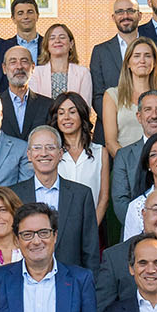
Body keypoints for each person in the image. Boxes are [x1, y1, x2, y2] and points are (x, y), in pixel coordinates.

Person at [12, 126, 99, 269]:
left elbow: (91, 251)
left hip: (72, 283)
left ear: (60, 153)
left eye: (50, 148)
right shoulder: (14, 195)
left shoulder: (81, 195)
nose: (44, 153)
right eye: (37, 148)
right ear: (29, 154)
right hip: (26, 280)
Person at [102, 36, 157, 153]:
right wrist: (130, 164)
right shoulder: (112, 95)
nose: (142, 60)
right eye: (137, 56)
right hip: (126, 165)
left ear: (154, 62)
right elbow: (110, 142)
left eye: (148, 56)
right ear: (128, 63)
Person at [50, 91, 109, 230]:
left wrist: (91, 229)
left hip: (92, 227)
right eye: (61, 113)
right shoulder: (51, 153)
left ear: (81, 115)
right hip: (58, 229)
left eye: (72, 112)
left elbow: (104, 198)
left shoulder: (100, 152)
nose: (66, 118)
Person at [88, 0, 146, 111]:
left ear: (139, 16)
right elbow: (97, 95)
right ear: (113, 17)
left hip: (147, 124)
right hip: (109, 124)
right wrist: (114, 120)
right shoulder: (100, 52)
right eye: (120, 12)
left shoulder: (155, 49)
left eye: (130, 11)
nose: (125, 16)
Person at [0, 44, 54, 140]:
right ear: (4, 68)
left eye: (24, 61)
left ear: (32, 67)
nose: (19, 66)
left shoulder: (48, 105)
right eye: (13, 62)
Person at [30, 23, 91, 100]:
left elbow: (85, 107)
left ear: (71, 43)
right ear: (46, 45)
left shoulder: (83, 73)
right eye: (52, 38)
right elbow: (35, 104)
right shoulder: (35, 73)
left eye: (62, 37)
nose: (57, 41)